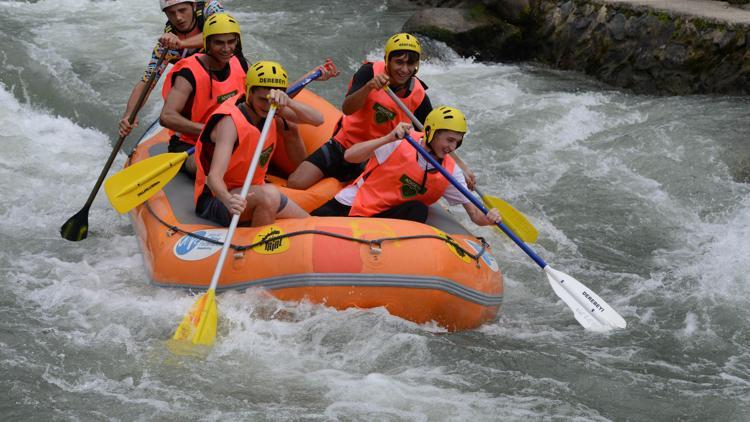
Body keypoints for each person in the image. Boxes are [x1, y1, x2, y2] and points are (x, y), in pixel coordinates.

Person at [287, 33, 434, 189]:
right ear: (387, 60)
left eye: (411, 64)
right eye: (399, 62)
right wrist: (369, 87)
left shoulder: (419, 95)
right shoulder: (369, 71)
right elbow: (348, 109)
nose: (405, 69)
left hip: (374, 158)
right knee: (295, 182)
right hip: (343, 144)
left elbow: (429, 138)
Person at [312, 106, 501, 227]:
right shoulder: (401, 141)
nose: (452, 147)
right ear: (430, 132)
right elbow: (350, 156)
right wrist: (388, 138)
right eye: (449, 140)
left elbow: (476, 215)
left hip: (386, 221)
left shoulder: (451, 172)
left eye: (457, 142)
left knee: (418, 209)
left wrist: (490, 219)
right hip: (355, 204)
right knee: (308, 226)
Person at [194, 61, 324, 227]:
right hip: (218, 199)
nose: (266, 105)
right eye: (262, 99)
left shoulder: (272, 109)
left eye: (270, 100)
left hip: (254, 190)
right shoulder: (229, 123)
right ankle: (256, 245)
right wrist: (228, 200)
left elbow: (318, 120)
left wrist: (289, 102)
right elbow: (214, 177)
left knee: (309, 224)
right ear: (249, 92)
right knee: (270, 194)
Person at [118, 0, 226, 138]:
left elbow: (220, 34)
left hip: (227, 74)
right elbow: (147, 81)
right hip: (202, 86)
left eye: (182, 10)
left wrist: (181, 44)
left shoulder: (211, 8)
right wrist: (129, 115)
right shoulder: (165, 46)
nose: (178, 18)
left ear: (193, 5)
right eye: (171, 13)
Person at [159, 12, 248, 176]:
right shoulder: (188, 73)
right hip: (190, 144)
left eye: (231, 42)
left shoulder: (239, 62)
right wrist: (210, 132)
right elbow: (166, 117)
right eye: (219, 43)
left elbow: (257, 100)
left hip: (228, 137)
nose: (227, 49)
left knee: (286, 125)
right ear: (207, 43)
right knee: (220, 164)